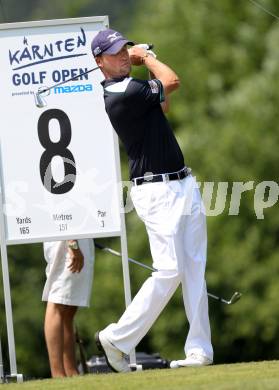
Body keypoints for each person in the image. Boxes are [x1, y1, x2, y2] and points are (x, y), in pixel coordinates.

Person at [92, 28, 213, 372]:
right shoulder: (120, 93)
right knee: (171, 269)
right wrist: (146, 58)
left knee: (194, 269)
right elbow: (173, 81)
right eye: (115, 54)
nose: (122, 56)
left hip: (182, 182)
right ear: (100, 63)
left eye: (124, 50)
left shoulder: (134, 88)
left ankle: (199, 350)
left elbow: (164, 103)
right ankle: (117, 337)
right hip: (156, 191)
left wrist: (142, 65)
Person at [42, 239, 94, 377]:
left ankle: (71, 371)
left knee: (69, 309)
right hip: (66, 240)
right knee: (58, 303)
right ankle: (57, 373)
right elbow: (61, 217)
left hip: (78, 238)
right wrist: (73, 244)